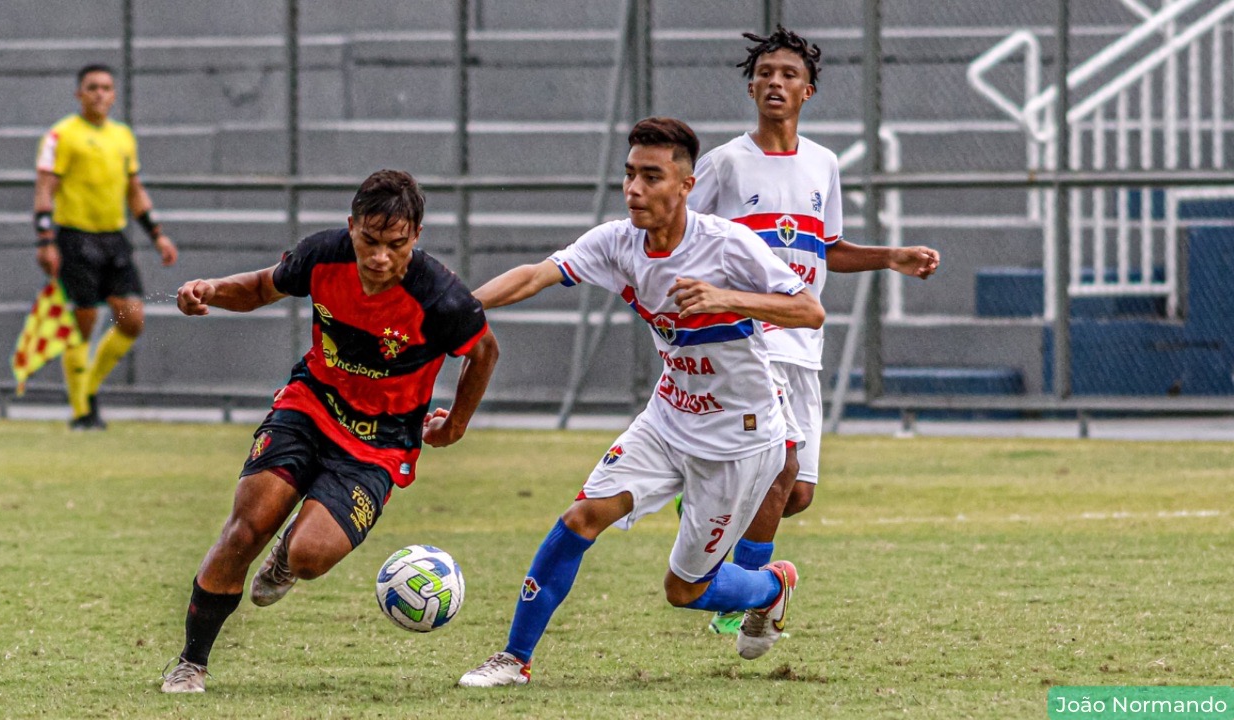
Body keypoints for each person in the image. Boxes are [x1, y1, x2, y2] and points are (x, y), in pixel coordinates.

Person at [458, 117, 824, 688]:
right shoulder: (617, 242)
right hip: (667, 416)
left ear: (686, 185)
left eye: (651, 176)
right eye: (629, 174)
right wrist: (451, 312)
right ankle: (513, 659)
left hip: (739, 436)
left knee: (685, 590)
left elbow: (809, 311)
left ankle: (773, 586)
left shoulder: (728, 246)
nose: (634, 189)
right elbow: (536, 274)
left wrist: (725, 296)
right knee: (581, 516)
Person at [159, 170, 499, 693]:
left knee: (309, 556)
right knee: (246, 528)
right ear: (351, 227)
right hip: (311, 406)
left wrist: (454, 425)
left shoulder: (441, 298)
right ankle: (191, 663)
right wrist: (208, 291)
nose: (380, 257)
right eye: (369, 240)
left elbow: (484, 352)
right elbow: (259, 288)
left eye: (396, 244)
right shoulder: (323, 255)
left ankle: (288, 555)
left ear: (417, 237)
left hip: (381, 443)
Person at [688, 26, 940, 635]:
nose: (776, 81)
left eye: (789, 74)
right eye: (766, 73)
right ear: (752, 86)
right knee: (781, 464)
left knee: (796, 492)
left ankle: (727, 538)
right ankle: (748, 607)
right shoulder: (722, 164)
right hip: (747, 340)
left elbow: (824, 249)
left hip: (804, 344)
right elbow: (684, 245)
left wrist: (889, 256)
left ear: (809, 90)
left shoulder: (824, 164)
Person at [33, 63, 180, 430]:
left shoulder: (123, 136)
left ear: (114, 94)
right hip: (75, 236)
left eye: (106, 88)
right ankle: (84, 409)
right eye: (92, 87)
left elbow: (134, 190)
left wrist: (157, 233)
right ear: (79, 93)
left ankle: (87, 390)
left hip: (114, 238)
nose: (100, 93)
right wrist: (45, 239)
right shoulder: (62, 135)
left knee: (131, 319)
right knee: (84, 321)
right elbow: (45, 188)